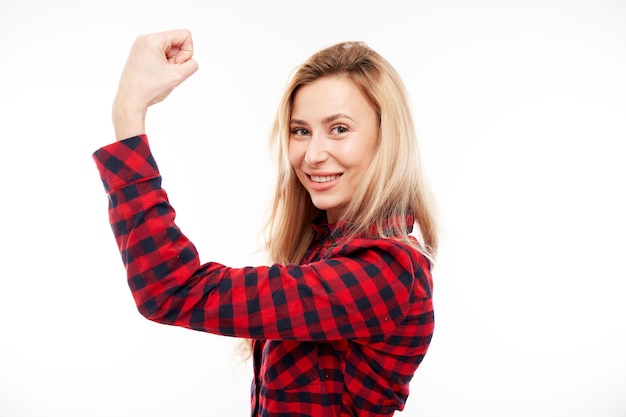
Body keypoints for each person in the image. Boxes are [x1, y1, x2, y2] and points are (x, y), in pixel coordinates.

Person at [93, 29, 438, 417]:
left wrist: (128, 109)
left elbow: (171, 289)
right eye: (300, 131)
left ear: (385, 138)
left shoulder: (384, 272)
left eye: (339, 129)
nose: (312, 154)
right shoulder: (321, 249)